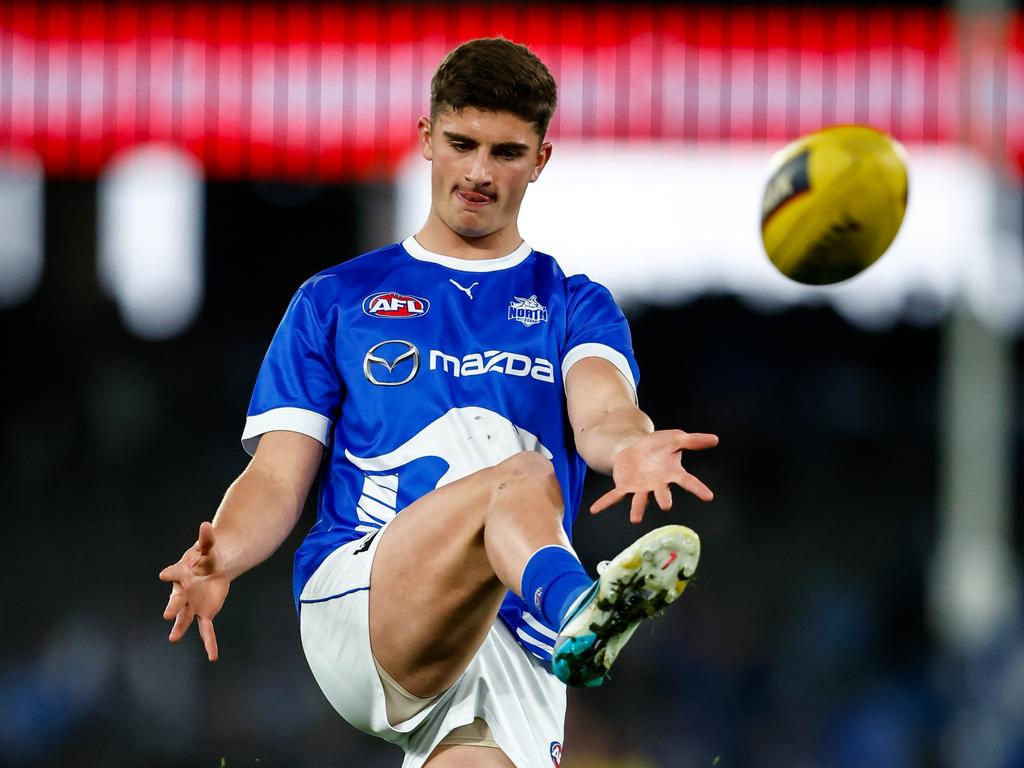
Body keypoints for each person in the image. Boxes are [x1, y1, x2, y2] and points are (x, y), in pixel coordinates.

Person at [159, 37, 718, 768]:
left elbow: (603, 413)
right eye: (462, 143)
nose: (481, 172)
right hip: (362, 597)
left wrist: (631, 447)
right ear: (427, 140)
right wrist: (222, 555)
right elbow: (276, 476)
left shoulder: (574, 306)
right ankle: (581, 606)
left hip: (509, 633)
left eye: (508, 152)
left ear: (542, 159)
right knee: (524, 478)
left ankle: (572, 616)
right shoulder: (336, 301)